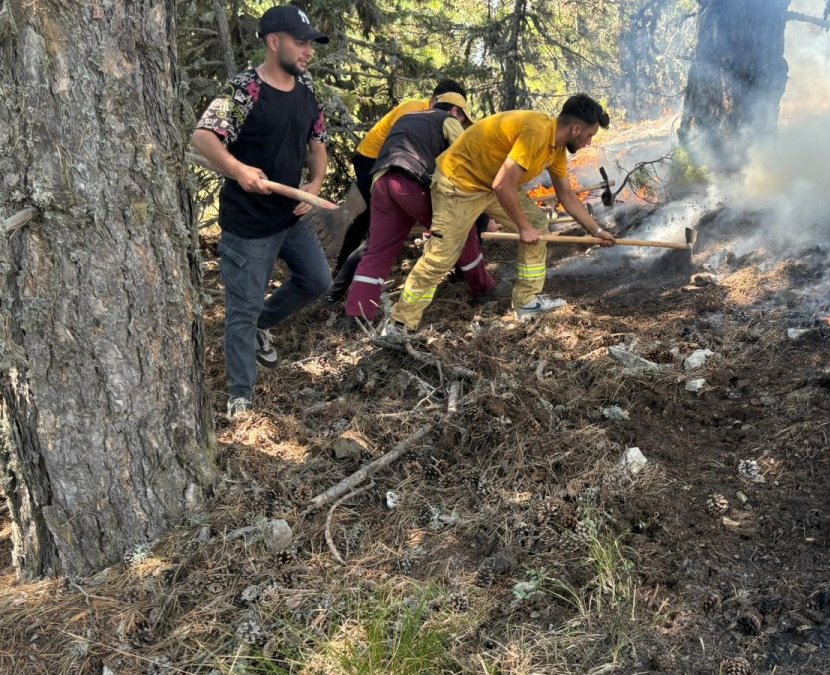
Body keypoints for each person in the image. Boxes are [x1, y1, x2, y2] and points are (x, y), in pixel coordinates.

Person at [191, 5, 332, 418]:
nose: (308, 51)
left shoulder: (307, 91)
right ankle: (241, 397)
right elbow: (203, 137)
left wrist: (314, 186)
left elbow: (318, 146)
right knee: (242, 308)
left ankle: (262, 324)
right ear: (274, 42)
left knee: (317, 280)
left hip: (290, 217)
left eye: (310, 43)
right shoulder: (245, 90)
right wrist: (239, 170)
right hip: (248, 224)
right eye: (300, 42)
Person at [386, 94, 616, 336]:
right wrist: (523, 227)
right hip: (459, 184)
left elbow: (566, 195)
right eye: (589, 135)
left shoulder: (556, 147)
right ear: (575, 129)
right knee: (441, 256)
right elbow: (503, 185)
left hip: (490, 184)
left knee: (538, 225)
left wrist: (597, 230)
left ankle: (526, 302)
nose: (588, 142)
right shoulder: (537, 132)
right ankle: (400, 323)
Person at [327, 79, 504, 305]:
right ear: (455, 111)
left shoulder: (410, 117)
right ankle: (484, 289)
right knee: (460, 230)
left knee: (378, 248)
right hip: (409, 180)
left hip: (381, 179)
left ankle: (355, 312)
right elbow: (466, 158)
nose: (462, 123)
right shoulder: (448, 120)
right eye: (463, 119)